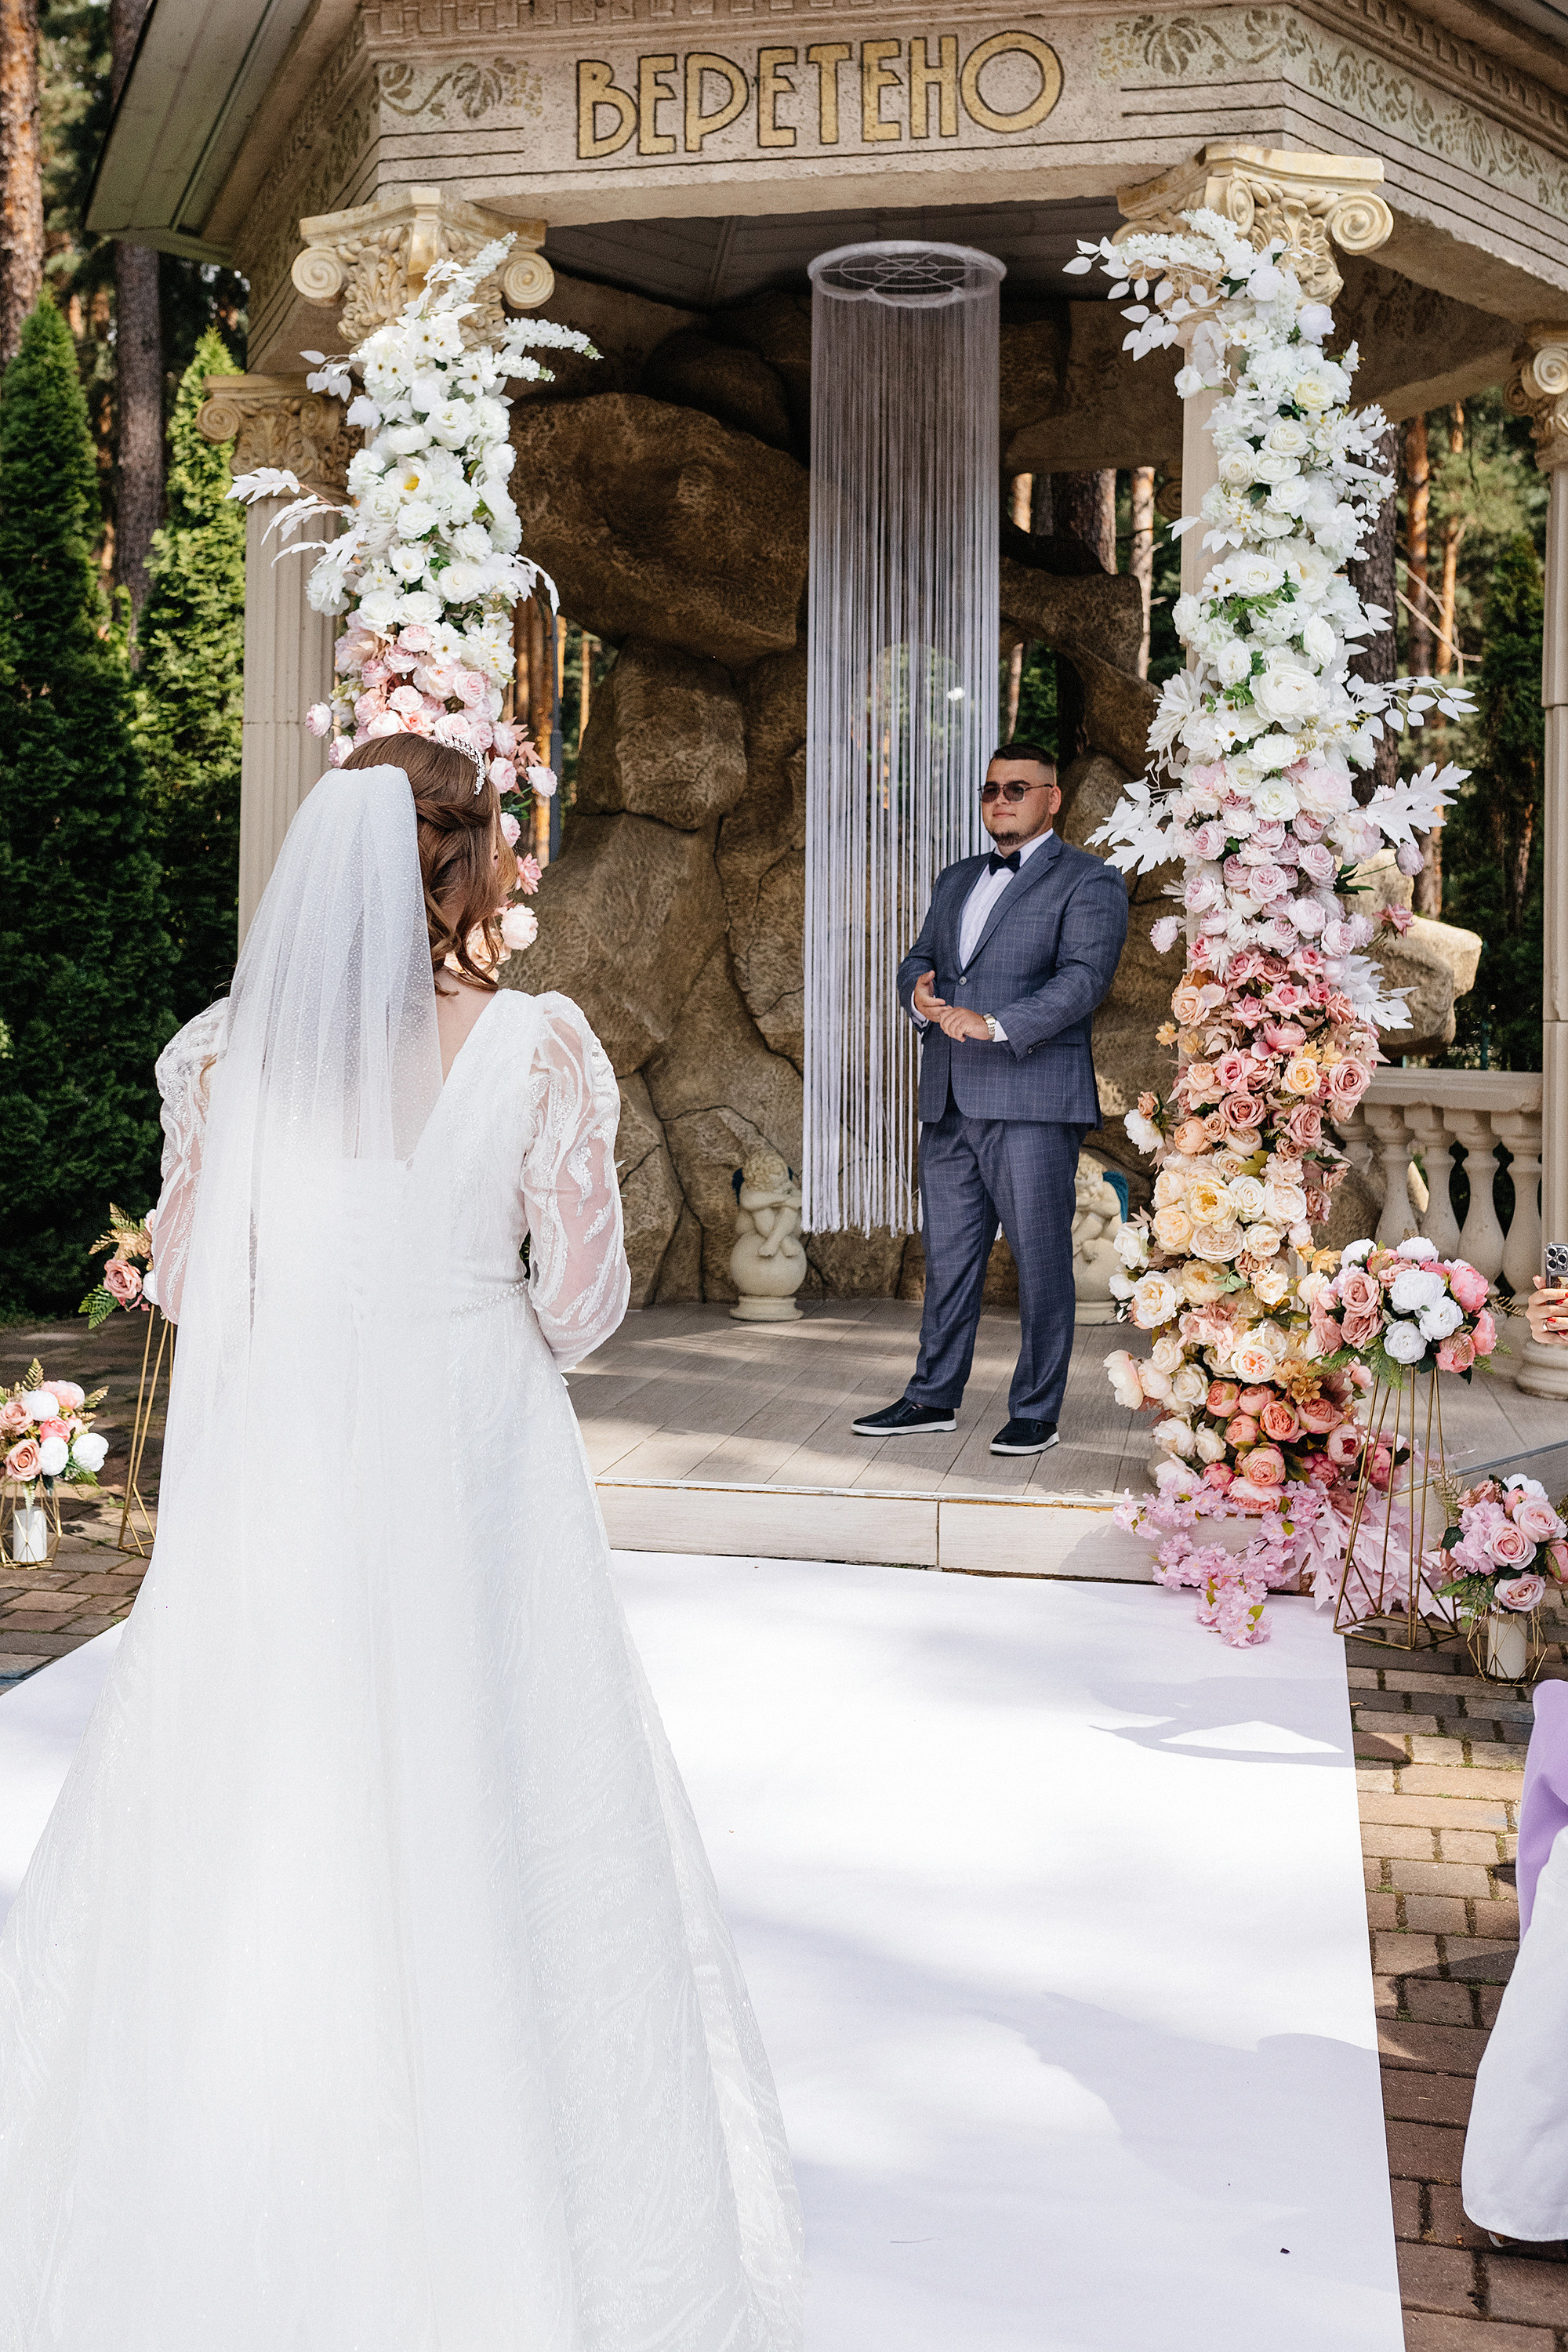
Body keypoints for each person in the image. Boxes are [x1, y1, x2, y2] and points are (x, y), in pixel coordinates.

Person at [0, 739, 803, 2352]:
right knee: (493, 1783)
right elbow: (579, 1314)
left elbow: (184, 1284)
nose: (518, 866)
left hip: (288, 1464)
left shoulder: (226, 1058)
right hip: (472, 1457)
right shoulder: (535, 1050)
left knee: (259, 1800)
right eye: (505, 841)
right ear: (457, 869)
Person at [853, 741, 1127, 1457]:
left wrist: (1000, 1025)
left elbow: (1083, 981)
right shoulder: (955, 878)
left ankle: (1036, 1410)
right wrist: (917, 993)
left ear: (1051, 798)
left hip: (1032, 1097)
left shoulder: (1090, 881)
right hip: (947, 1096)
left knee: (1040, 1262)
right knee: (947, 1261)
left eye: (1017, 788)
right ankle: (931, 1397)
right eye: (990, 790)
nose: (1000, 800)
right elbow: (924, 957)